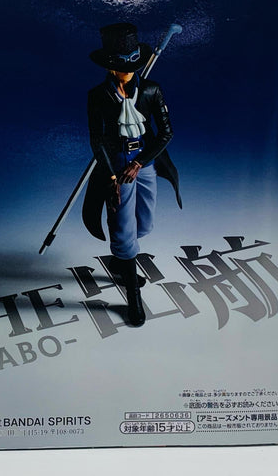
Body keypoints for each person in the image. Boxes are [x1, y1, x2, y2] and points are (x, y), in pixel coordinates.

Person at [82, 22, 182, 327]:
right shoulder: (98, 95)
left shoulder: (151, 90)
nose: (126, 71)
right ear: (109, 65)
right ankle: (133, 295)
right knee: (123, 228)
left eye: (131, 64)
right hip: (117, 167)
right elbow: (97, 140)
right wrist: (112, 177)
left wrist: (139, 163)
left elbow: (166, 133)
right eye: (120, 66)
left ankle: (121, 258)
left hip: (144, 163)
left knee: (144, 223)